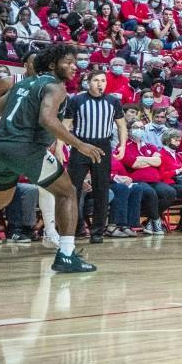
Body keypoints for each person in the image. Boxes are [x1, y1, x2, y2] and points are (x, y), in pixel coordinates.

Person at [0, 43, 102, 273]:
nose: (75, 67)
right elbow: (47, 119)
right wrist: (80, 144)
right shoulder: (55, 87)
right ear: (53, 65)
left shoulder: (22, 84)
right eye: (69, 62)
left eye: (75, 62)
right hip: (27, 149)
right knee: (67, 193)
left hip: (1, 149)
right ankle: (66, 255)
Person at [62, 67, 122, 243]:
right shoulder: (77, 100)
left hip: (103, 146)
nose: (100, 84)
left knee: (102, 190)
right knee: (74, 190)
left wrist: (123, 145)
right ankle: (71, 229)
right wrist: (59, 145)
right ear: (88, 83)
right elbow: (65, 126)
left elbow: (122, 125)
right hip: (81, 145)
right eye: (96, 80)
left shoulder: (113, 101)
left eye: (103, 80)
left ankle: (97, 232)